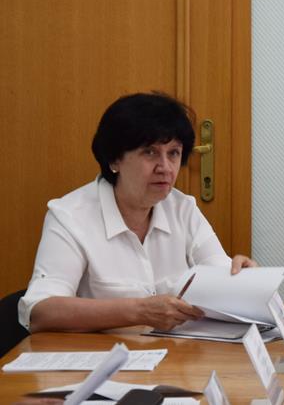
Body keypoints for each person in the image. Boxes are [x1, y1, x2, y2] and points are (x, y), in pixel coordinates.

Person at [19, 92, 257, 333]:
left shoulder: (183, 208)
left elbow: (219, 275)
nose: (165, 168)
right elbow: (40, 312)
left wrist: (243, 281)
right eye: (150, 152)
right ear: (114, 159)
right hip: (104, 354)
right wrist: (139, 311)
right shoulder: (70, 216)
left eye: (173, 153)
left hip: (178, 353)